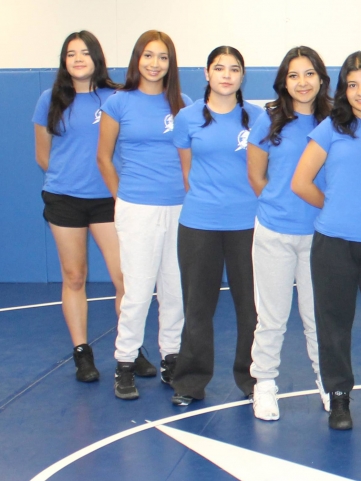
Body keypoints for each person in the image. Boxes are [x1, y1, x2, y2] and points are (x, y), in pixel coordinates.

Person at [291, 51, 361, 429]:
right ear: (343, 91)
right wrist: (334, 207)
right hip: (333, 245)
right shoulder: (330, 128)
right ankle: (339, 398)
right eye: (352, 85)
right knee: (333, 324)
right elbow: (300, 182)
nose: (360, 91)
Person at [96, 30, 190, 400]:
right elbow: (103, 157)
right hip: (137, 207)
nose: (155, 64)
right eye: (148, 56)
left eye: (162, 57)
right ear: (137, 59)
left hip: (180, 207)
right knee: (137, 290)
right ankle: (125, 361)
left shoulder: (183, 103)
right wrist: (124, 197)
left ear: (171, 63)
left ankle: (171, 357)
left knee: (174, 289)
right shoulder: (119, 103)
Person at [168, 46, 262, 405]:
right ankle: (190, 381)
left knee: (251, 307)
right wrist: (210, 202)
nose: (226, 75)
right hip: (199, 223)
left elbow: (262, 170)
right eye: (219, 68)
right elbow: (187, 172)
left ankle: (253, 379)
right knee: (197, 306)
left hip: (248, 224)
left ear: (242, 76)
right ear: (206, 73)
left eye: (234, 69)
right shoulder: (188, 118)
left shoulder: (257, 118)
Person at [244, 46, 332, 416]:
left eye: (309, 73)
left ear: (322, 79)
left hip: (320, 236)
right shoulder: (269, 121)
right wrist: (279, 206)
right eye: (294, 75)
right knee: (272, 317)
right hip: (274, 233)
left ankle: (329, 383)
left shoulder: (334, 122)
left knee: (319, 317)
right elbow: (256, 176)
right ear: (284, 81)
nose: (302, 82)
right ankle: (264, 383)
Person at [33, 31, 124, 383]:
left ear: (97, 58)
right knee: (74, 276)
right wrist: (67, 177)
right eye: (71, 54)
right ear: (64, 61)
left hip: (108, 200)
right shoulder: (49, 98)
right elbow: (43, 154)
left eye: (85, 52)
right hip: (65, 199)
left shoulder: (115, 98)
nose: (78, 59)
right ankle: (82, 352)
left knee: (123, 278)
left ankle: (128, 350)